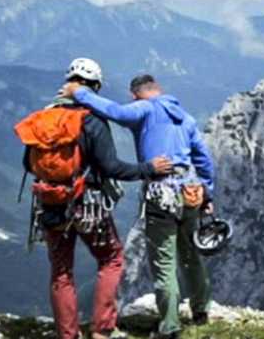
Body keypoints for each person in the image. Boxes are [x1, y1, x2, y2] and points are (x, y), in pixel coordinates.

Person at [22, 58, 174, 339]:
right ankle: (102, 330)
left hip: (51, 204)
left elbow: (29, 165)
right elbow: (112, 168)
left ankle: (67, 335)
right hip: (88, 204)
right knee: (112, 259)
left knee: (61, 271)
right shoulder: (91, 120)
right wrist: (148, 169)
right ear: (94, 87)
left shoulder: (43, 118)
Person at [61, 73, 216, 338]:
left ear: (135, 94)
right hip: (191, 191)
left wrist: (80, 93)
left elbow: (116, 112)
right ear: (159, 89)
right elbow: (204, 159)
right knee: (191, 254)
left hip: (161, 193)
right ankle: (200, 311)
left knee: (164, 261)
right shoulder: (186, 117)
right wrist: (208, 196)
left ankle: (169, 325)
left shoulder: (144, 109)